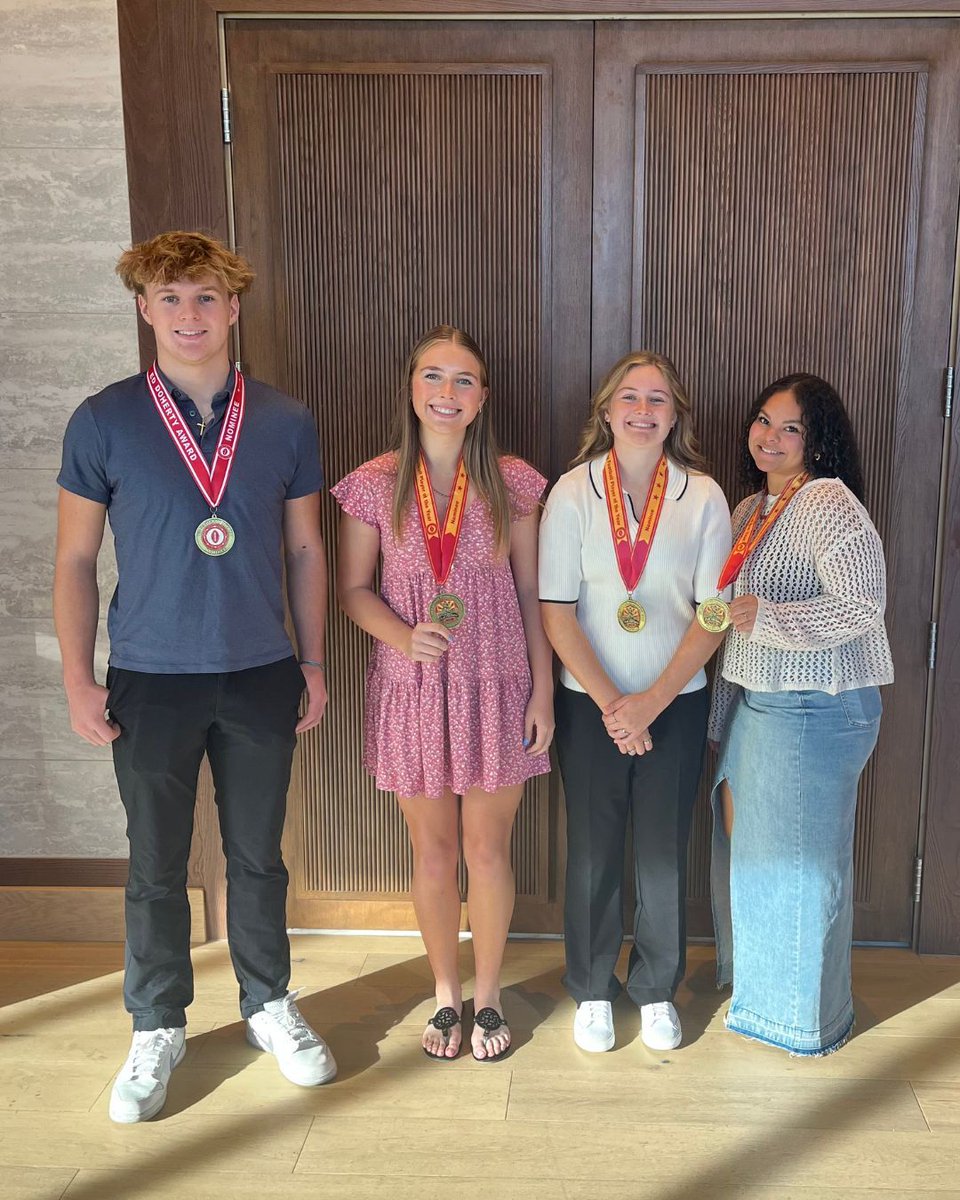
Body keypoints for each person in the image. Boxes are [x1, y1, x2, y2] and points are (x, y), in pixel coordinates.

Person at [54, 231, 336, 1123]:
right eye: (170, 298)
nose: (189, 314)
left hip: (260, 670)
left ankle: (267, 1002)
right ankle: (156, 1024)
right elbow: (74, 560)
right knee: (155, 862)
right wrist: (77, 678)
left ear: (234, 307)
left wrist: (314, 661)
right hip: (149, 676)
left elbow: (305, 549)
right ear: (144, 309)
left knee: (258, 856)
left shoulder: (285, 419)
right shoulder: (103, 419)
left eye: (206, 296)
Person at [333, 325, 553, 1062]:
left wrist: (543, 692)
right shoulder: (374, 483)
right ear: (410, 387)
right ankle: (445, 993)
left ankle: (488, 996)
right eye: (433, 376)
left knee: (487, 849)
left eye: (463, 380)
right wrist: (402, 636)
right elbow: (352, 590)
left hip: (497, 685)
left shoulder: (514, 482)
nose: (447, 393)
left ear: (483, 397)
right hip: (414, 688)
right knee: (432, 851)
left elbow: (533, 593)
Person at [539, 351, 731, 1053]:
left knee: (662, 852)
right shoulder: (572, 491)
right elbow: (556, 611)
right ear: (606, 410)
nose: (643, 411)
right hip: (589, 706)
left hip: (674, 705)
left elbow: (714, 614)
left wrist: (649, 702)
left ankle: (655, 991)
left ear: (675, 415)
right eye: (629, 397)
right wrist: (615, 706)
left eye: (657, 399)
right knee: (592, 853)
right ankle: (592, 988)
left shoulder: (702, 496)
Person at [708, 372, 894, 1056]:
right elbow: (729, 621)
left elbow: (862, 604)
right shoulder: (748, 510)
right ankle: (766, 999)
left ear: (817, 442)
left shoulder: (825, 501)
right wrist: (721, 713)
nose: (771, 436)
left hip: (815, 707)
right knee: (758, 856)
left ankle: (800, 1023)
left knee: (796, 866)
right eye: (764, 420)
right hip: (761, 704)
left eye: (791, 428)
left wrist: (771, 618)